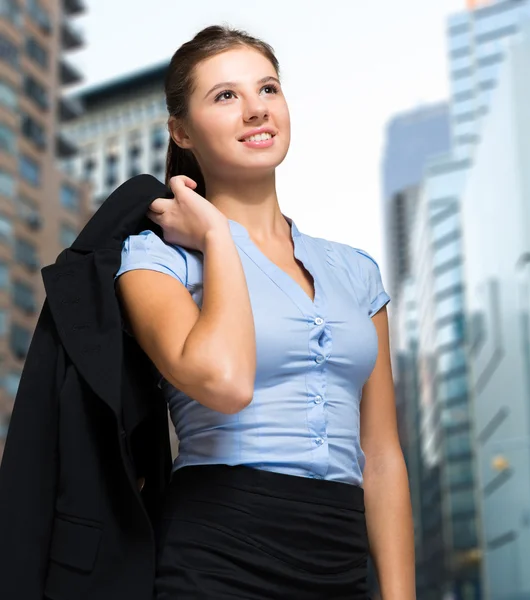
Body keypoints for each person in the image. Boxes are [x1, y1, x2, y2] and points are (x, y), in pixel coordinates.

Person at [115, 25, 415, 600]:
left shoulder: (356, 272)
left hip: (339, 554)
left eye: (268, 89)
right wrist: (217, 238)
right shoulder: (155, 258)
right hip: (217, 550)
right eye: (226, 96)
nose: (256, 110)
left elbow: (380, 455)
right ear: (181, 130)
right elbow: (223, 383)